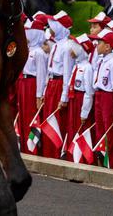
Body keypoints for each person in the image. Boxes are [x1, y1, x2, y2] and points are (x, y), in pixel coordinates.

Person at [41, 11, 74, 159]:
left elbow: (67, 73)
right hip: (52, 84)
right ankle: (48, 152)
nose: (50, 27)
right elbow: (49, 70)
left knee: (57, 119)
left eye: (54, 24)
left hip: (59, 84)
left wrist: (64, 96)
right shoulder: (55, 45)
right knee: (48, 116)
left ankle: (57, 152)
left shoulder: (67, 47)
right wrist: (44, 90)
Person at [91, 30, 113, 169]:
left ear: (108, 47)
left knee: (110, 133)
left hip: (108, 98)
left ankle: (112, 165)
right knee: (99, 131)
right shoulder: (101, 61)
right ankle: (100, 163)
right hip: (99, 96)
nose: (96, 45)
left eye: (99, 43)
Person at [18, 15, 49, 155]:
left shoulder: (39, 53)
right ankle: (24, 146)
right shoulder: (27, 49)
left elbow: (42, 76)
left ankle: (33, 149)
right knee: (23, 114)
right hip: (23, 83)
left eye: (29, 31)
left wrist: (38, 95)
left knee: (31, 115)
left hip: (32, 84)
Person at [67, 33, 96, 164]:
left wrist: (84, 111)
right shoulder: (76, 66)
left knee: (81, 129)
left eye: (74, 47)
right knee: (72, 128)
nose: (70, 50)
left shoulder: (87, 68)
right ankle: (72, 158)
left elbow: (89, 92)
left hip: (81, 101)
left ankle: (83, 160)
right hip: (74, 100)